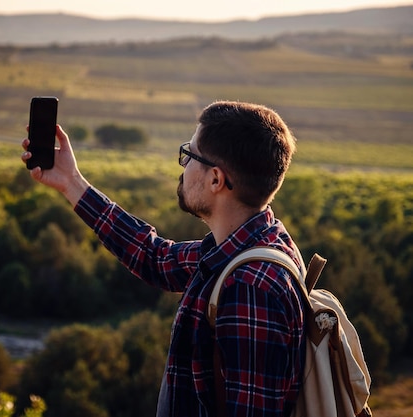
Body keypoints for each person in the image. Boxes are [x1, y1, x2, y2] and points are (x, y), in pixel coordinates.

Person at [21, 100, 305, 417]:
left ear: (216, 179)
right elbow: (156, 258)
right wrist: (71, 182)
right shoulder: (251, 246)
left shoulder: (250, 287)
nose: (183, 167)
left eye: (190, 156)